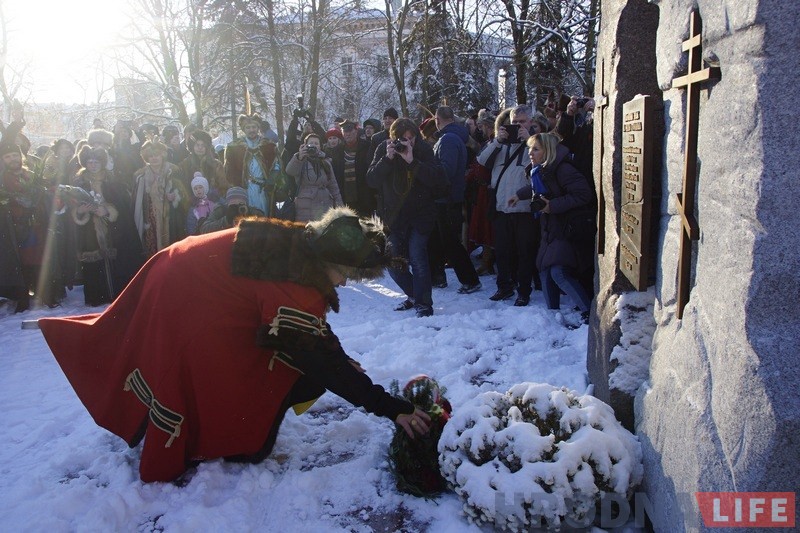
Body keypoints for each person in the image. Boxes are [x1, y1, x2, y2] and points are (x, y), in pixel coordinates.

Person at [38, 206, 431, 483]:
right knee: (248, 372)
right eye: (346, 275)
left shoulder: (303, 244)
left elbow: (315, 337)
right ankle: (221, 435)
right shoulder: (293, 281)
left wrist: (341, 356)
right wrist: (388, 407)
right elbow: (315, 356)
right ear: (333, 260)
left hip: (180, 272)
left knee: (291, 357)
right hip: (186, 299)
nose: (344, 284)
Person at [509, 133, 593, 326]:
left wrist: (552, 206)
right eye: (530, 148)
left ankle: (588, 311)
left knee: (558, 271)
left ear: (548, 151)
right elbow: (536, 189)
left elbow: (583, 195)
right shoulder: (540, 171)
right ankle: (552, 314)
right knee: (545, 269)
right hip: (550, 227)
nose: (530, 153)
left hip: (566, 227)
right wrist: (518, 195)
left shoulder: (563, 169)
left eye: (536, 149)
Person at [366, 118, 447, 317]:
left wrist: (413, 161)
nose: (407, 143)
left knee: (418, 258)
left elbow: (437, 180)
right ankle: (414, 295)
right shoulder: (383, 150)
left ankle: (424, 304)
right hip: (394, 218)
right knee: (393, 263)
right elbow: (371, 180)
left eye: (411, 138)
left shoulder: (423, 150)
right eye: (403, 139)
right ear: (393, 138)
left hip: (420, 216)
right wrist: (388, 159)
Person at [476, 105, 541, 306]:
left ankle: (523, 291)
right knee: (502, 252)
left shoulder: (536, 143)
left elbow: (542, 166)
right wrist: (497, 141)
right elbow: (481, 161)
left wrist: (528, 139)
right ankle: (504, 287)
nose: (517, 126)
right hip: (502, 208)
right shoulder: (500, 145)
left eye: (522, 122)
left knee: (524, 253)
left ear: (530, 122)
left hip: (524, 210)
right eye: (514, 123)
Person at [70, 146, 143, 306]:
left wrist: (109, 211)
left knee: (116, 262)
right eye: (89, 162)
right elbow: (72, 207)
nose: (93, 165)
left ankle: (117, 293)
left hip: (114, 230)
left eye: (96, 161)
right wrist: (80, 211)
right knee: (94, 263)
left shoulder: (113, 182)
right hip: (89, 231)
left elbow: (122, 207)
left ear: (102, 163)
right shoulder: (79, 183)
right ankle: (98, 295)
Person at [430, 106, 481, 295]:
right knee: (440, 239)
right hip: (447, 198)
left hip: (448, 199)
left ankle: (470, 280)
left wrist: (429, 173)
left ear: (438, 119)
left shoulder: (448, 139)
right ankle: (438, 277)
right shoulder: (455, 137)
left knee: (451, 242)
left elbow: (447, 170)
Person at [0, 141, 48, 312]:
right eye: (7, 157)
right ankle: (22, 296)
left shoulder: (31, 175)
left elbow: (43, 197)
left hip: (37, 226)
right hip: (15, 229)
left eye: (14, 155)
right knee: (22, 262)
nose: (12, 159)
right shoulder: (4, 179)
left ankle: (42, 292)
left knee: (38, 258)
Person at [224, 114, 288, 218]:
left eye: (254, 127)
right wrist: (237, 185)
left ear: (258, 128)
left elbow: (277, 166)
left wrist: (271, 181)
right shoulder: (234, 147)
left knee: (263, 217)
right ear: (243, 129)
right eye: (248, 127)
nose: (251, 130)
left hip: (262, 189)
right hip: (244, 190)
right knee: (246, 218)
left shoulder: (268, 146)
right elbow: (229, 171)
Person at [132, 140, 189, 258]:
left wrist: (175, 196)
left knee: (173, 250)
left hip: (172, 219)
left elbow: (185, 196)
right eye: (151, 156)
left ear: (162, 155)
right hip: (150, 219)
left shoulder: (174, 171)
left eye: (157, 155)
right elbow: (137, 202)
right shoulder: (140, 176)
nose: (154, 158)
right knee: (152, 252)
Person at [285, 133, 343, 222]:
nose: (314, 145)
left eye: (316, 143)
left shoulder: (326, 162)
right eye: (311, 143)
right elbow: (290, 171)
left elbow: (333, 185)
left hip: (326, 204)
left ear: (320, 146)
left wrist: (340, 207)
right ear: (305, 145)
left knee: (324, 231)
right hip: (305, 206)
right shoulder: (300, 159)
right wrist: (299, 157)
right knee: (306, 232)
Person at [178, 130, 229, 200]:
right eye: (197, 145)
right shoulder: (184, 165)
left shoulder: (216, 164)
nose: (200, 148)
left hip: (213, 204)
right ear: (192, 146)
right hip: (192, 204)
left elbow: (223, 187)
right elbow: (182, 187)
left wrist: (214, 197)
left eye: (203, 145)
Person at [198, 186, 264, 234]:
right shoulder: (221, 210)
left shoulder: (253, 211)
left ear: (246, 204)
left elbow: (265, 228)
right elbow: (204, 229)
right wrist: (226, 220)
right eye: (233, 206)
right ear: (227, 204)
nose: (237, 208)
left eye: (240, 205)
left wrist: (250, 217)